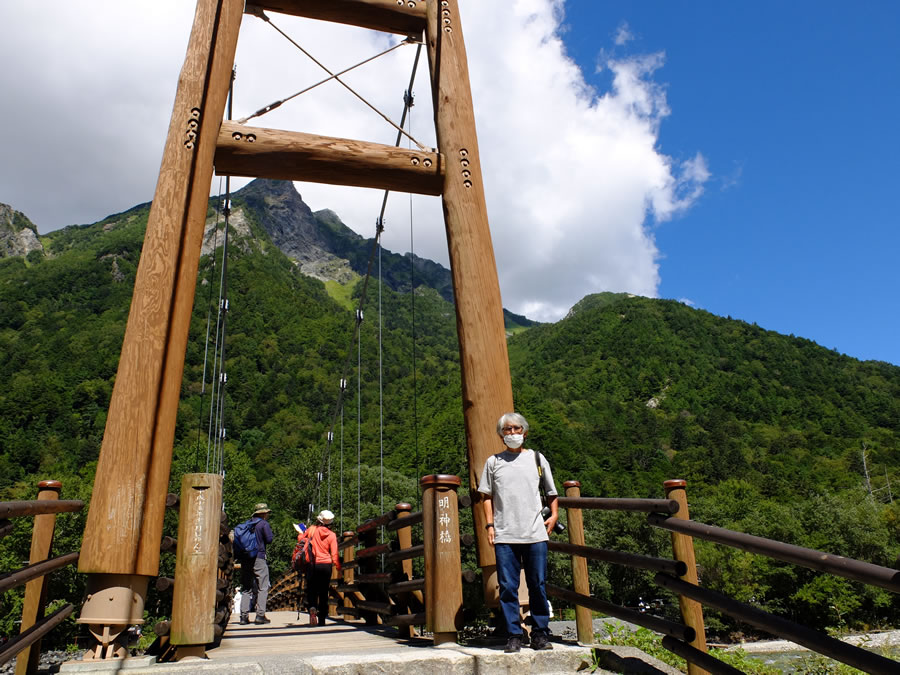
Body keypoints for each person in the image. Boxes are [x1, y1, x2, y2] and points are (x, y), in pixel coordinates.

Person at [478, 412, 559, 653]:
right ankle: (514, 634)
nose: (512, 433)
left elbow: (551, 492)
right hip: (504, 533)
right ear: (501, 435)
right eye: (507, 430)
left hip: (535, 532)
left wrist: (554, 516)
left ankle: (540, 633)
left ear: (524, 431)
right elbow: (486, 497)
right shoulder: (493, 462)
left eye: (516, 429)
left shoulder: (536, 458)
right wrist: (490, 526)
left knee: (538, 584)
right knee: (507, 586)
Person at [298, 509, 341, 626]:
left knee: (312, 590)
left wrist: (301, 532)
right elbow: (335, 554)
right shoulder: (332, 535)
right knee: (323, 592)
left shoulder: (313, 530)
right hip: (326, 566)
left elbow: (300, 539)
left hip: (313, 565)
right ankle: (322, 619)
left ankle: (312, 608)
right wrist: (338, 567)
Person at [239, 503, 274, 625]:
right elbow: (269, 539)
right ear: (263, 513)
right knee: (263, 586)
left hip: (246, 559)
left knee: (246, 588)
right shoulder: (263, 524)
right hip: (259, 557)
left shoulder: (247, 524)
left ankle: (243, 617)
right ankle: (260, 616)